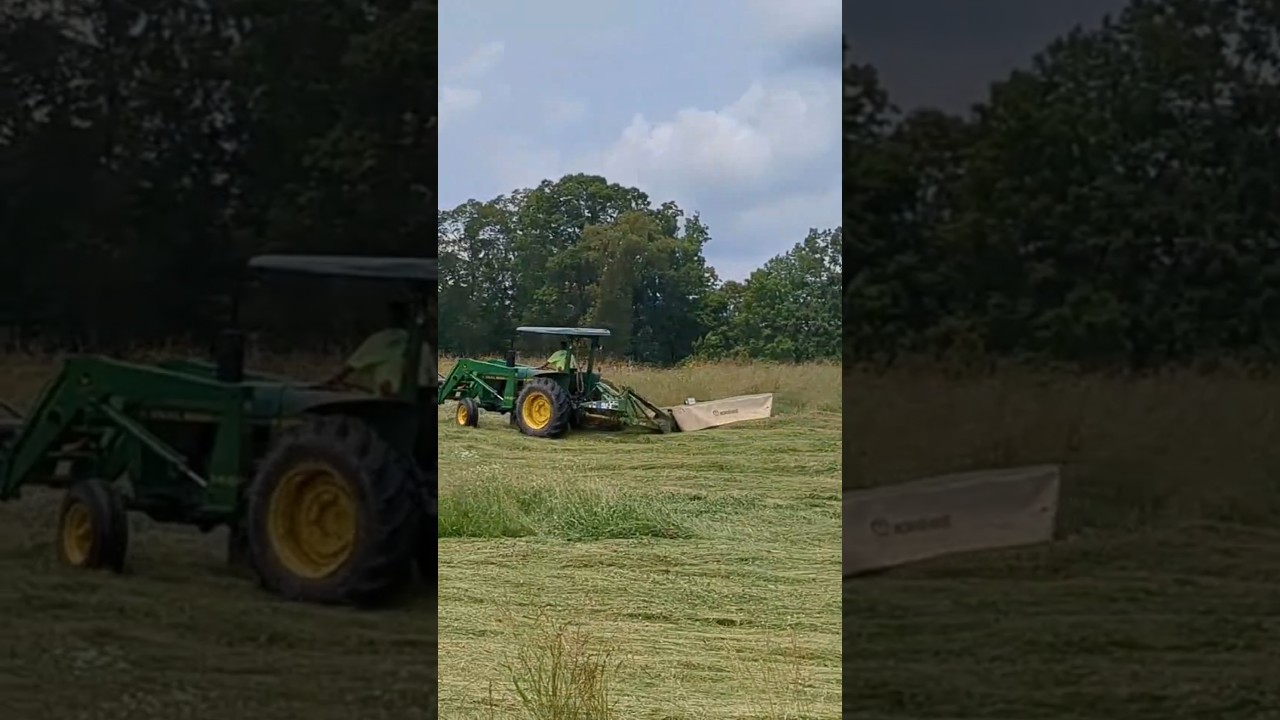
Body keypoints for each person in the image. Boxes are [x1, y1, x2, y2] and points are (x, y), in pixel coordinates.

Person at [324, 301, 425, 397]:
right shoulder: (422, 344)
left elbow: (350, 367)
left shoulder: (381, 339)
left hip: (389, 398)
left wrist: (332, 381)